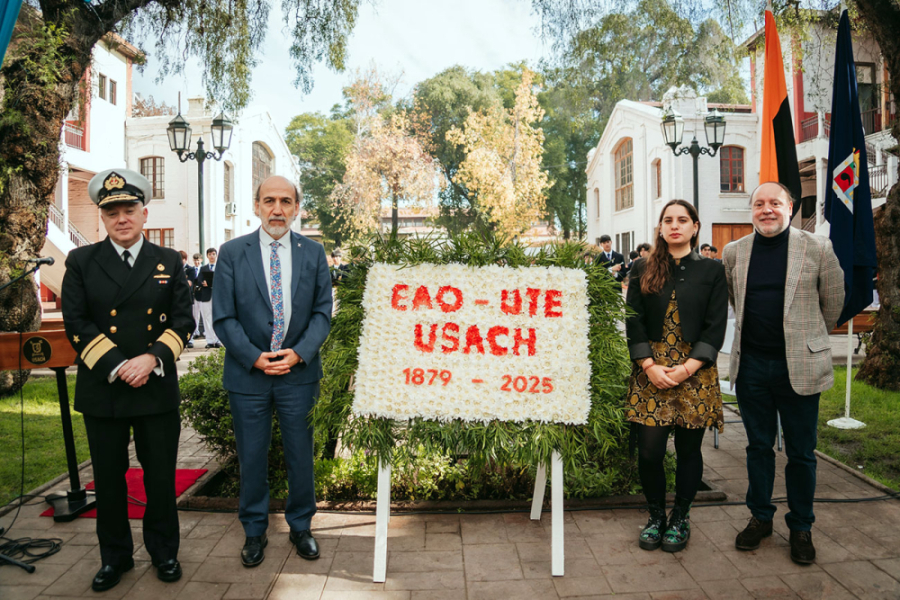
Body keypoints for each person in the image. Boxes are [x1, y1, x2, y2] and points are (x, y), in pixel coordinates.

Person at [61, 169, 194, 591]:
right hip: (105, 388)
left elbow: (183, 322)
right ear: (102, 217)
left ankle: (164, 552)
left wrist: (151, 359)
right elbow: (76, 322)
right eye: (112, 212)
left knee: (160, 478)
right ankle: (114, 558)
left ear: (144, 213)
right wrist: (119, 365)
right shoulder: (81, 261)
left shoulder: (169, 260)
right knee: (108, 480)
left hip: (155, 386)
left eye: (129, 209)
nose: (122, 218)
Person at [213, 175, 332, 567]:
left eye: (285, 201)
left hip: (299, 374)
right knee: (251, 457)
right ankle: (253, 530)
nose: (277, 209)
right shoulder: (232, 253)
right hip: (248, 375)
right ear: (256, 206)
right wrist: (254, 357)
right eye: (269, 201)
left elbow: (322, 312)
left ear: (296, 208)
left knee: (301, 455)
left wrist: (300, 353)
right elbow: (223, 316)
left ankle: (301, 526)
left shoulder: (314, 253)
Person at [723, 181, 844, 565]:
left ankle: (801, 526)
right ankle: (760, 517)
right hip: (752, 367)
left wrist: (806, 339)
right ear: (752, 211)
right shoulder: (734, 252)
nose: (767, 209)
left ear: (790, 207)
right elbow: (735, 300)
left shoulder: (818, 248)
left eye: (774, 203)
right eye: (759, 203)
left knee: (801, 452)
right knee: (758, 447)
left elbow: (833, 304)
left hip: (800, 366)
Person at [625, 199, 727, 554]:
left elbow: (715, 325)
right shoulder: (642, 267)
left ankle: (681, 516)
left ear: (695, 227)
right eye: (668, 220)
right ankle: (656, 516)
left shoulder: (712, 271)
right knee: (650, 452)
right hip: (651, 372)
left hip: (695, 374)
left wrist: (687, 368)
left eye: (682, 220)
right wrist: (649, 366)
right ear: (661, 227)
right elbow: (633, 319)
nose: (674, 225)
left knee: (688, 451)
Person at [196, 247, 220, 348]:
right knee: (206, 318)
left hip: (217, 295)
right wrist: (203, 283)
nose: (212, 256)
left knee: (218, 317)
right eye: (210, 254)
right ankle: (210, 340)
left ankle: (218, 340)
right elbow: (198, 280)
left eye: (213, 254)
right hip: (206, 295)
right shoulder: (203, 268)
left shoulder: (220, 267)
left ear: (216, 255)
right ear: (207, 256)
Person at [184, 253, 203, 348]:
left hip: (202, 294)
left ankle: (203, 332)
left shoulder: (202, 269)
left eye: (198, 260)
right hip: (193, 294)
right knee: (194, 315)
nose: (196, 262)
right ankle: (195, 331)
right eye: (195, 260)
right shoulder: (191, 269)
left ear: (201, 260)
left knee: (204, 315)